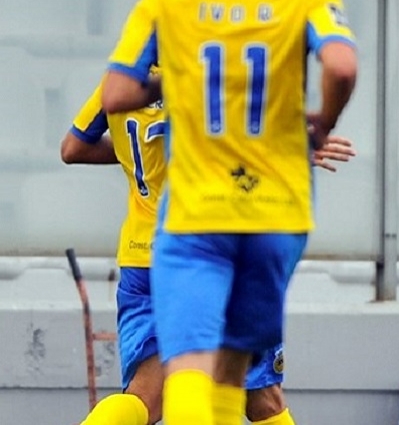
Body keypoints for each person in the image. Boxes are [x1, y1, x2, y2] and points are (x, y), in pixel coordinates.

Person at [100, 0, 358, 423]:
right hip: (275, 214)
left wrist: (181, 78)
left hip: (194, 218)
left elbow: (113, 97)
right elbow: (341, 66)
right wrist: (324, 122)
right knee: (239, 379)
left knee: (186, 374)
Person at [60, 74, 355, 425]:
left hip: (142, 260)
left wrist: (137, 153)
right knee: (264, 399)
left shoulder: (121, 82)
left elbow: (73, 149)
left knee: (145, 398)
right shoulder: (203, 76)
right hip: (208, 254)